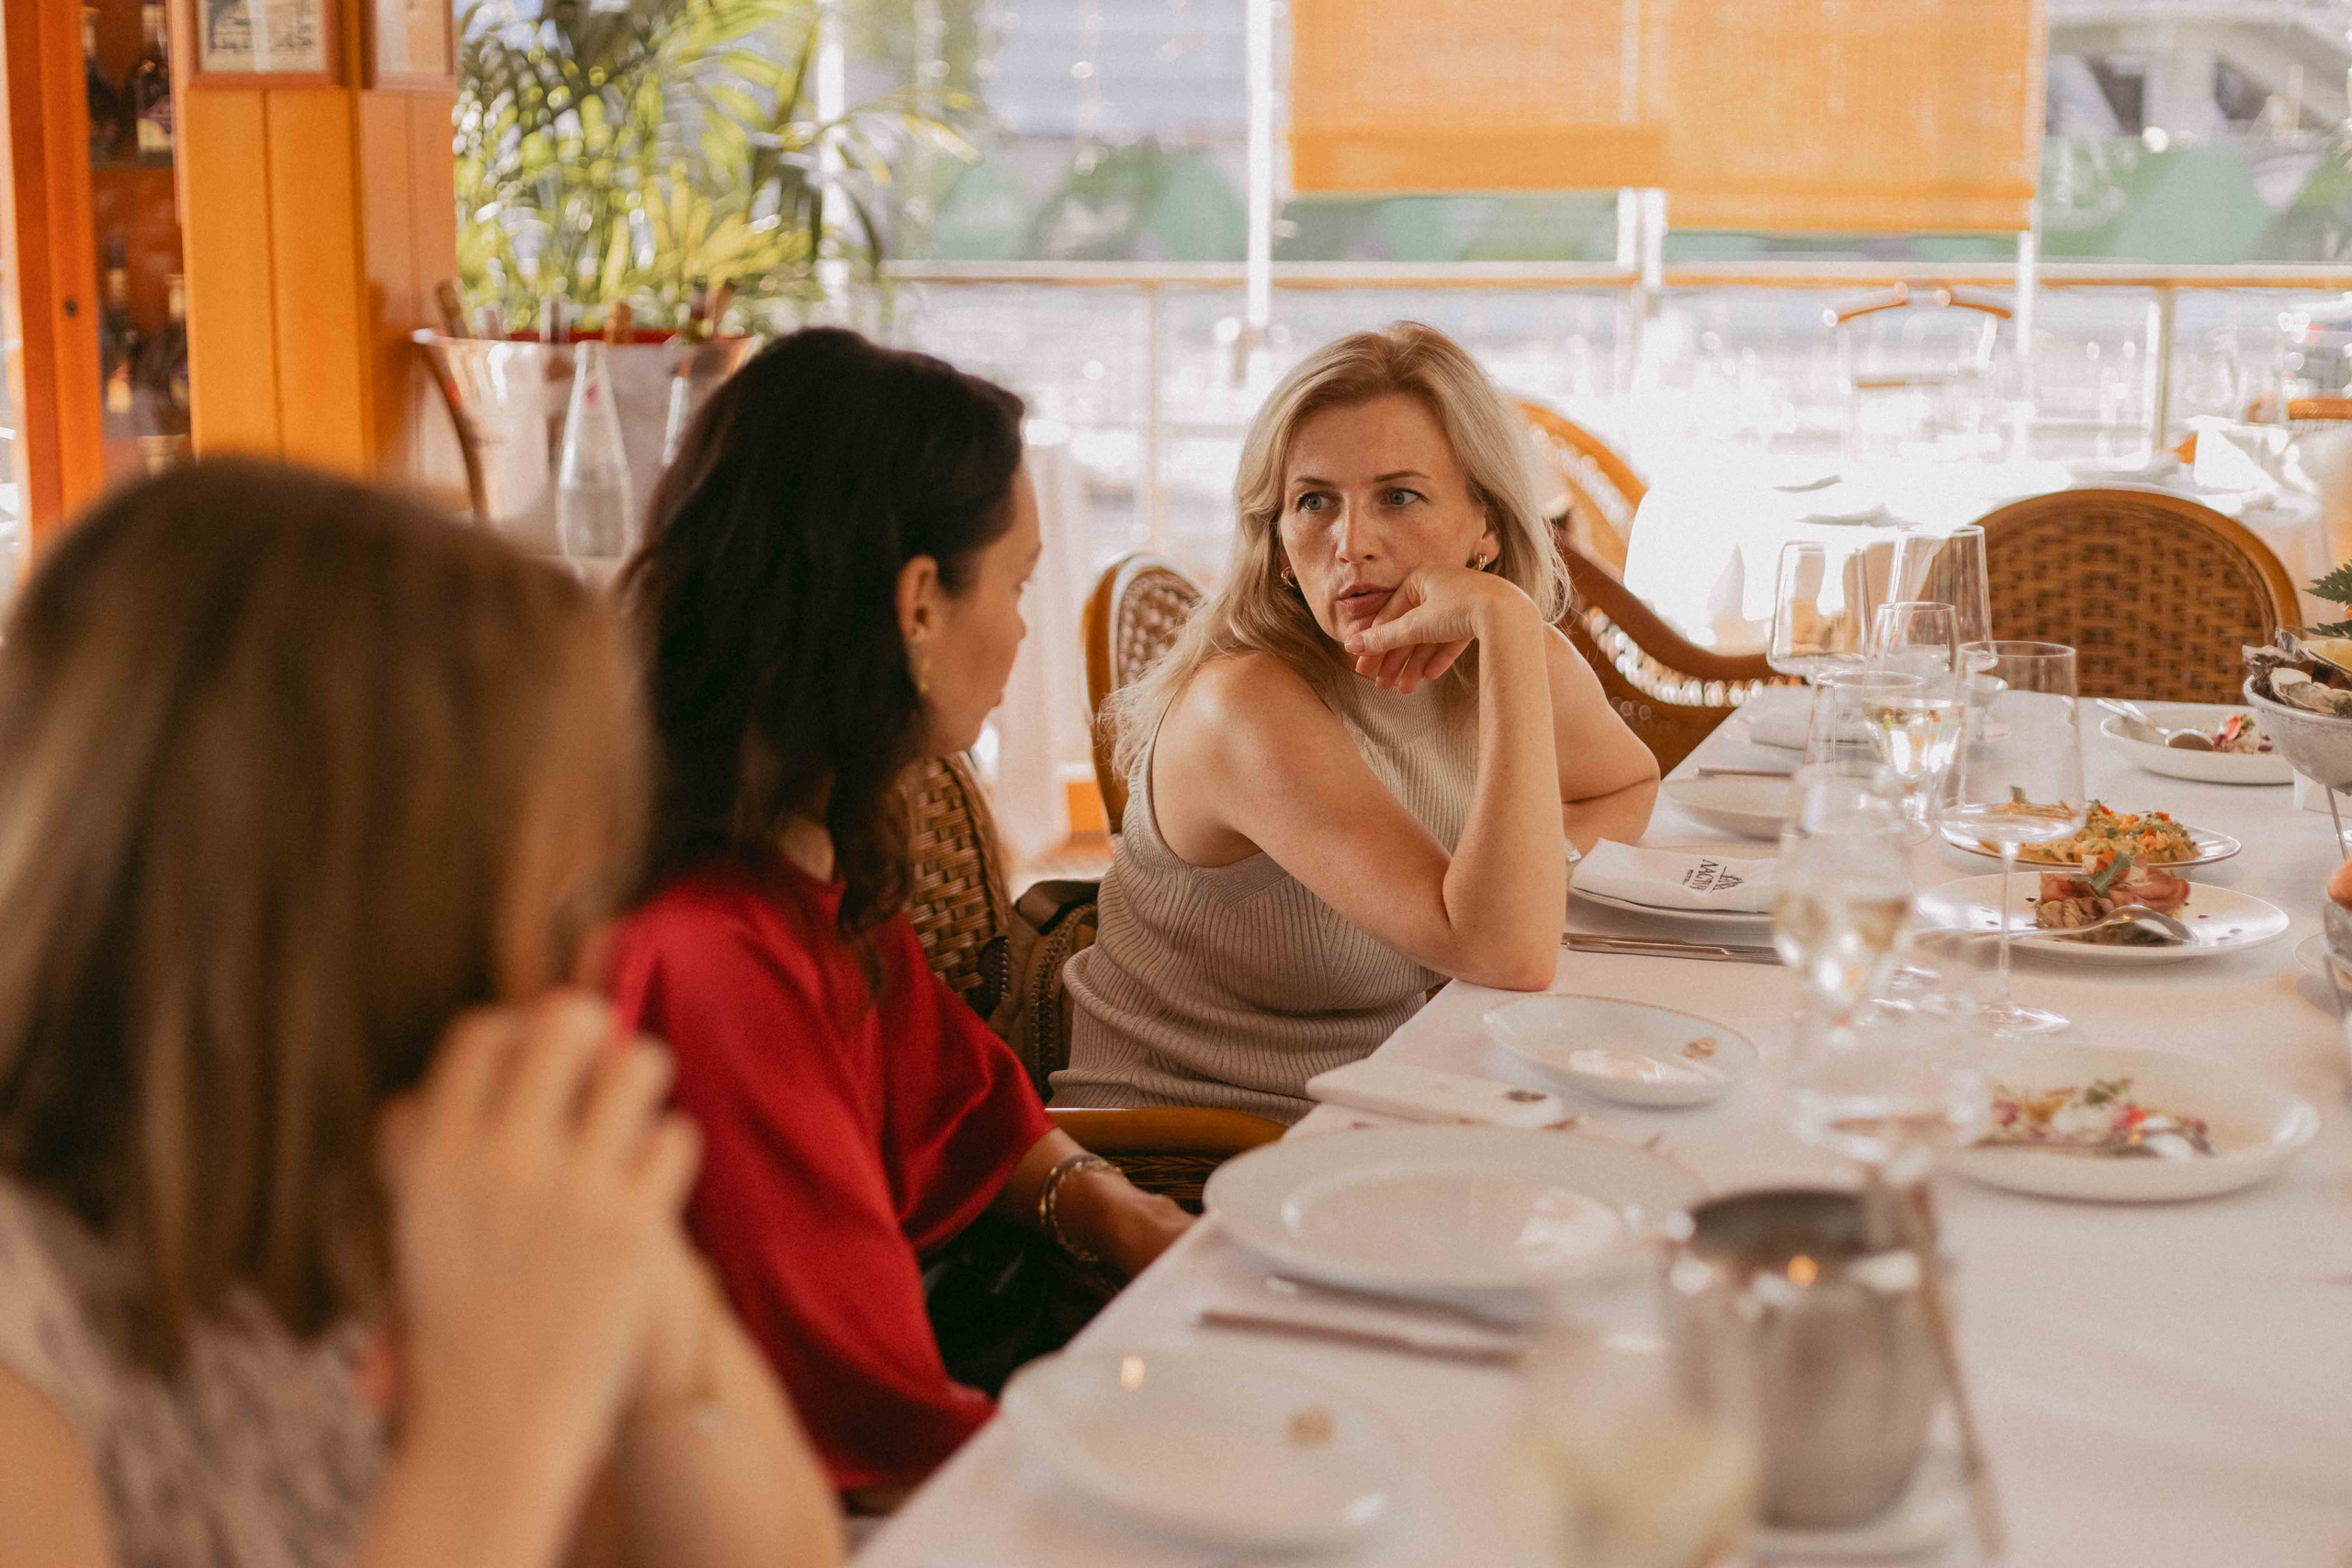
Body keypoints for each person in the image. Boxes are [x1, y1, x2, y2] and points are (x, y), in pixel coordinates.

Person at [0, 463, 841, 1568]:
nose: (588, 960)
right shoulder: (29, 1341)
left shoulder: (354, 1201)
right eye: (552, 902)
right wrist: (503, 1411)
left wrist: (657, 1311)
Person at [614, 328, 1192, 1506]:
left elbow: (956, 1097)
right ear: (918, 602)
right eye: (1018, 585)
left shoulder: (796, 835)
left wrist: (1123, 1217)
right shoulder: (715, 958)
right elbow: (866, 1415)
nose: (1028, 631)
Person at [1056, 321, 1660, 1122]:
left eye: (1398, 496)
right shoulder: (1242, 708)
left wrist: (1526, 871)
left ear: (1485, 523)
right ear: (1276, 544)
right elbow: (1506, 951)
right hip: (1199, 1157)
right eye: (1314, 503)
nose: (1351, 544)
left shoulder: (1499, 656)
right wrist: (1511, 624)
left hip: (1396, 1099)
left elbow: (1627, 784)